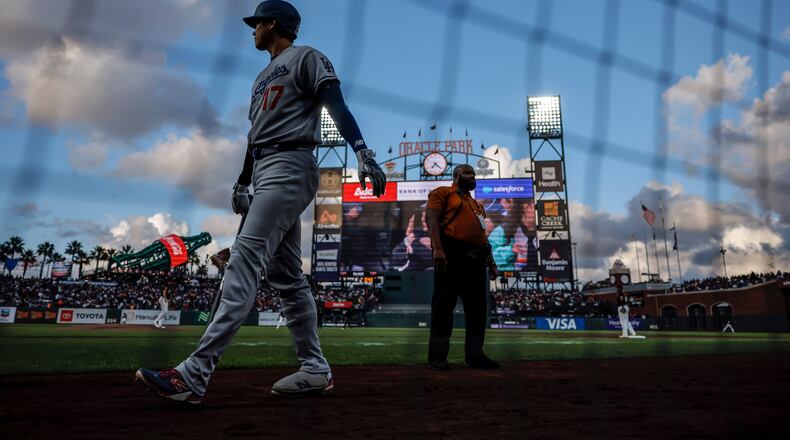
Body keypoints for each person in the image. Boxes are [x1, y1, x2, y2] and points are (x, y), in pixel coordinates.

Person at [135, 0, 386, 404]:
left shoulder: (306, 56)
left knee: (244, 261)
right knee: (286, 277)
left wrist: (361, 151)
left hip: (291, 165)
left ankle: (194, 375)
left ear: (273, 24)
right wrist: (241, 181)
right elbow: (255, 138)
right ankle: (315, 369)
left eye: (257, 23)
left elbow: (334, 102)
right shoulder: (259, 77)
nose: (252, 30)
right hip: (267, 168)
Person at [425, 164, 500, 371]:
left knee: (477, 310)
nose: (472, 177)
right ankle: (438, 357)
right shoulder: (443, 192)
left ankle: (475, 355)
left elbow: (482, 236)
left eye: (474, 174)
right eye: (468, 174)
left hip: (477, 259)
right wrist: (437, 248)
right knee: (443, 307)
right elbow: (431, 218)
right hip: (451, 253)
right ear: (457, 175)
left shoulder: (476, 204)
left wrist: (491, 263)